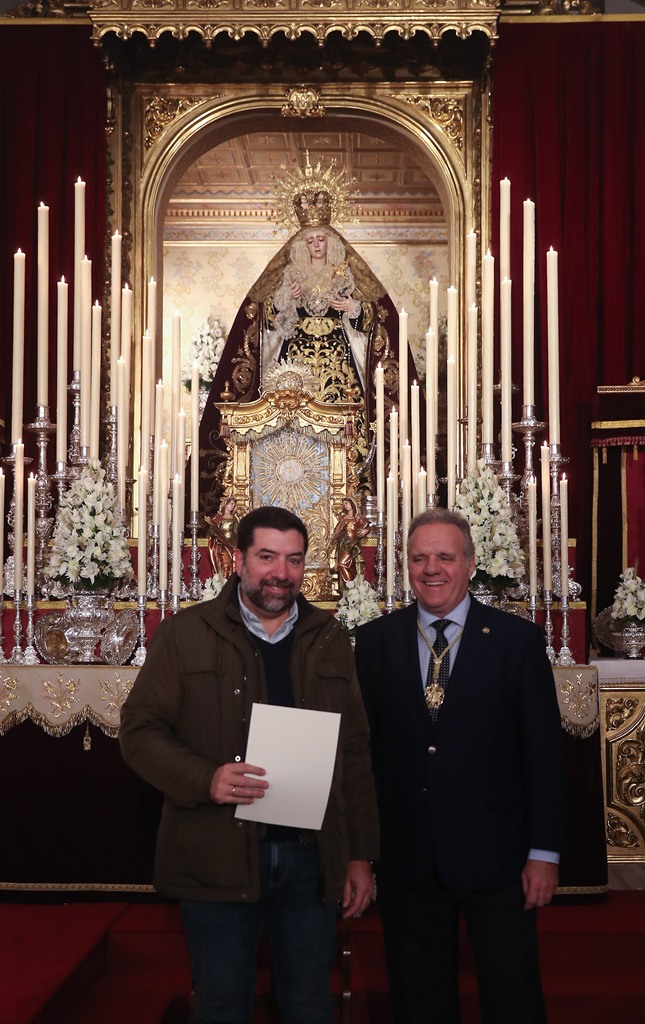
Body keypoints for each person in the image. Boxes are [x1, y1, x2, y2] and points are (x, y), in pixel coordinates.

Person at [119, 505, 379, 1024]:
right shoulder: (185, 633)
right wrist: (207, 779)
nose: (281, 572)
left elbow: (353, 751)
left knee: (310, 1006)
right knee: (221, 1007)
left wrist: (360, 856)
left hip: (310, 859)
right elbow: (139, 732)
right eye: (267, 557)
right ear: (238, 561)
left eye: (294, 560)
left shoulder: (330, 638)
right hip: (216, 854)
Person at [354, 508, 565, 1024]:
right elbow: (360, 755)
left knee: (513, 1000)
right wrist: (359, 852)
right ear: (406, 565)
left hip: (499, 860)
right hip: (409, 859)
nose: (432, 569)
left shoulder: (517, 641)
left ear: (470, 564)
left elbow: (543, 755)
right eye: (420, 558)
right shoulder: (376, 641)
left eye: (445, 557)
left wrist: (544, 853)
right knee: (419, 1003)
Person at [196, 156, 418, 516]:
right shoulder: (289, 279)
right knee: (293, 440)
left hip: (340, 373)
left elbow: (379, 320)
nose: (316, 245)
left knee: (345, 435)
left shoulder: (347, 277)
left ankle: (347, 504)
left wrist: (354, 309)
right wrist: (283, 301)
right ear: (302, 245)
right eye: (310, 240)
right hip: (295, 372)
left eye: (321, 239)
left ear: (331, 243)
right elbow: (264, 323)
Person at [328, 496, 371, 589]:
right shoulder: (343, 518)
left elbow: (368, 526)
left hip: (353, 544)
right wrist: (331, 542)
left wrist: (365, 530)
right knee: (342, 564)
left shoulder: (357, 518)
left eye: (347, 503)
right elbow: (337, 531)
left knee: (349, 565)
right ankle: (348, 587)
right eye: (344, 504)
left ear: (352, 504)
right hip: (343, 544)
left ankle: (351, 587)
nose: (345, 505)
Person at [204, 494, 239, 577]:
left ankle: (230, 581)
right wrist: (213, 526)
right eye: (231, 503)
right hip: (222, 546)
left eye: (234, 504)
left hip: (232, 546)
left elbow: (237, 532)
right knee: (225, 564)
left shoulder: (234, 519)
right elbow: (212, 532)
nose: (232, 506)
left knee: (233, 566)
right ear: (226, 504)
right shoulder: (218, 518)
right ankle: (224, 581)